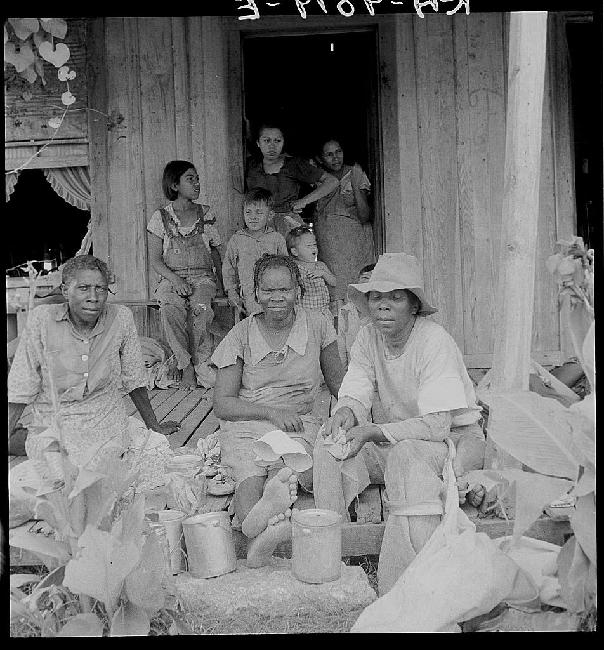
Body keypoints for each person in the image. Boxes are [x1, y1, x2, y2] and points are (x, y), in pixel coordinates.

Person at [313, 253, 486, 596]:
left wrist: (374, 431)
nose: (383, 306)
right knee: (327, 444)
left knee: (406, 456)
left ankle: (403, 586)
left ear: (413, 305)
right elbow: (357, 389)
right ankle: (337, 563)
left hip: (453, 442)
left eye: (395, 297)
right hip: (397, 440)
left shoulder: (433, 340)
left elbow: (438, 427)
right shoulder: (367, 337)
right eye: (376, 297)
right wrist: (346, 412)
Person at [212, 254, 344, 567]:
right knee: (248, 469)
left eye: (284, 289)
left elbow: (339, 382)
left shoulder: (318, 324)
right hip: (248, 419)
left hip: (299, 421)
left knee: (285, 467)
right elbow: (223, 403)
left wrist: (354, 411)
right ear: (256, 293)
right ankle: (257, 528)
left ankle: (258, 539)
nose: (276, 297)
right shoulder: (241, 334)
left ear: (298, 290)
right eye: (268, 291)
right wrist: (269, 413)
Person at [8, 255, 179, 473]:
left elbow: (134, 378)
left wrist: (154, 427)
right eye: (83, 288)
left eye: (100, 288)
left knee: (129, 458)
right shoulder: (42, 320)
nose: (93, 297)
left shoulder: (120, 318)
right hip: (56, 423)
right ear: (64, 291)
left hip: (105, 426)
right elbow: (20, 388)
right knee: (54, 463)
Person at [147, 160, 225, 389]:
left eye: (197, 178)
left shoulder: (206, 214)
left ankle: (200, 362)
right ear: (174, 185)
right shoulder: (160, 217)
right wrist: (176, 280)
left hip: (202, 278)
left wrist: (225, 286)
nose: (197, 183)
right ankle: (185, 366)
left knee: (201, 309)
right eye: (190, 179)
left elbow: (217, 254)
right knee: (170, 306)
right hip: (171, 277)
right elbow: (155, 260)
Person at [246, 123, 339, 238]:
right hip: (259, 226)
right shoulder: (250, 166)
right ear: (258, 143)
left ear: (283, 142)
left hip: (289, 226)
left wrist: (304, 201)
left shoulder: (293, 165)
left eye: (277, 141)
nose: (272, 146)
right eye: (267, 141)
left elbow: (332, 181)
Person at [314, 138, 375, 308]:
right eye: (329, 154)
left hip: (355, 244)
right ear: (320, 158)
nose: (335, 158)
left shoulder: (354, 174)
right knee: (336, 296)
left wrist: (355, 186)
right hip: (330, 246)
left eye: (338, 152)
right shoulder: (317, 179)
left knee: (360, 292)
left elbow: (364, 215)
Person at [222, 188, 288, 316]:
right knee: (256, 320)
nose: (253, 217)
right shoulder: (237, 239)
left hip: (274, 290)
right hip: (249, 292)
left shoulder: (277, 239)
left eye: (259, 213)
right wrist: (231, 291)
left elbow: (286, 267)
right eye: (248, 212)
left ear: (270, 215)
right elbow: (228, 267)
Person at [286, 225, 336, 321]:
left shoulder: (320, 265)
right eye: (309, 246)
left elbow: (334, 282)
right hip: (303, 314)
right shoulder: (293, 267)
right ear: (295, 251)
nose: (313, 248)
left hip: (323, 313)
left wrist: (323, 273)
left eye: (314, 245)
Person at [337, 263, 375, 370]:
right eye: (365, 278)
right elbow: (341, 343)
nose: (367, 282)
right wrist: (344, 371)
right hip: (353, 371)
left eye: (372, 279)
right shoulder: (345, 311)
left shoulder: (380, 311)